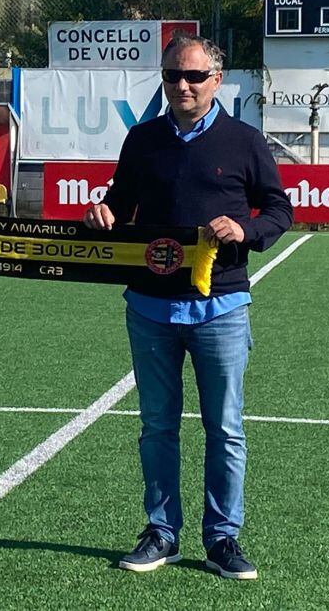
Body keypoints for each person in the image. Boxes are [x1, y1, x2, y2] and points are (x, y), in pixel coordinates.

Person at [83, 34, 292, 580]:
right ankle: (161, 532)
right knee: (157, 426)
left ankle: (223, 538)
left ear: (216, 80)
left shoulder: (245, 142)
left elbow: (279, 211)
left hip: (221, 305)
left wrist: (243, 229)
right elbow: (119, 203)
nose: (182, 85)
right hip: (150, 307)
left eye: (194, 76)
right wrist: (102, 213)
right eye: (173, 74)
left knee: (225, 428)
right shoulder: (143, 139)